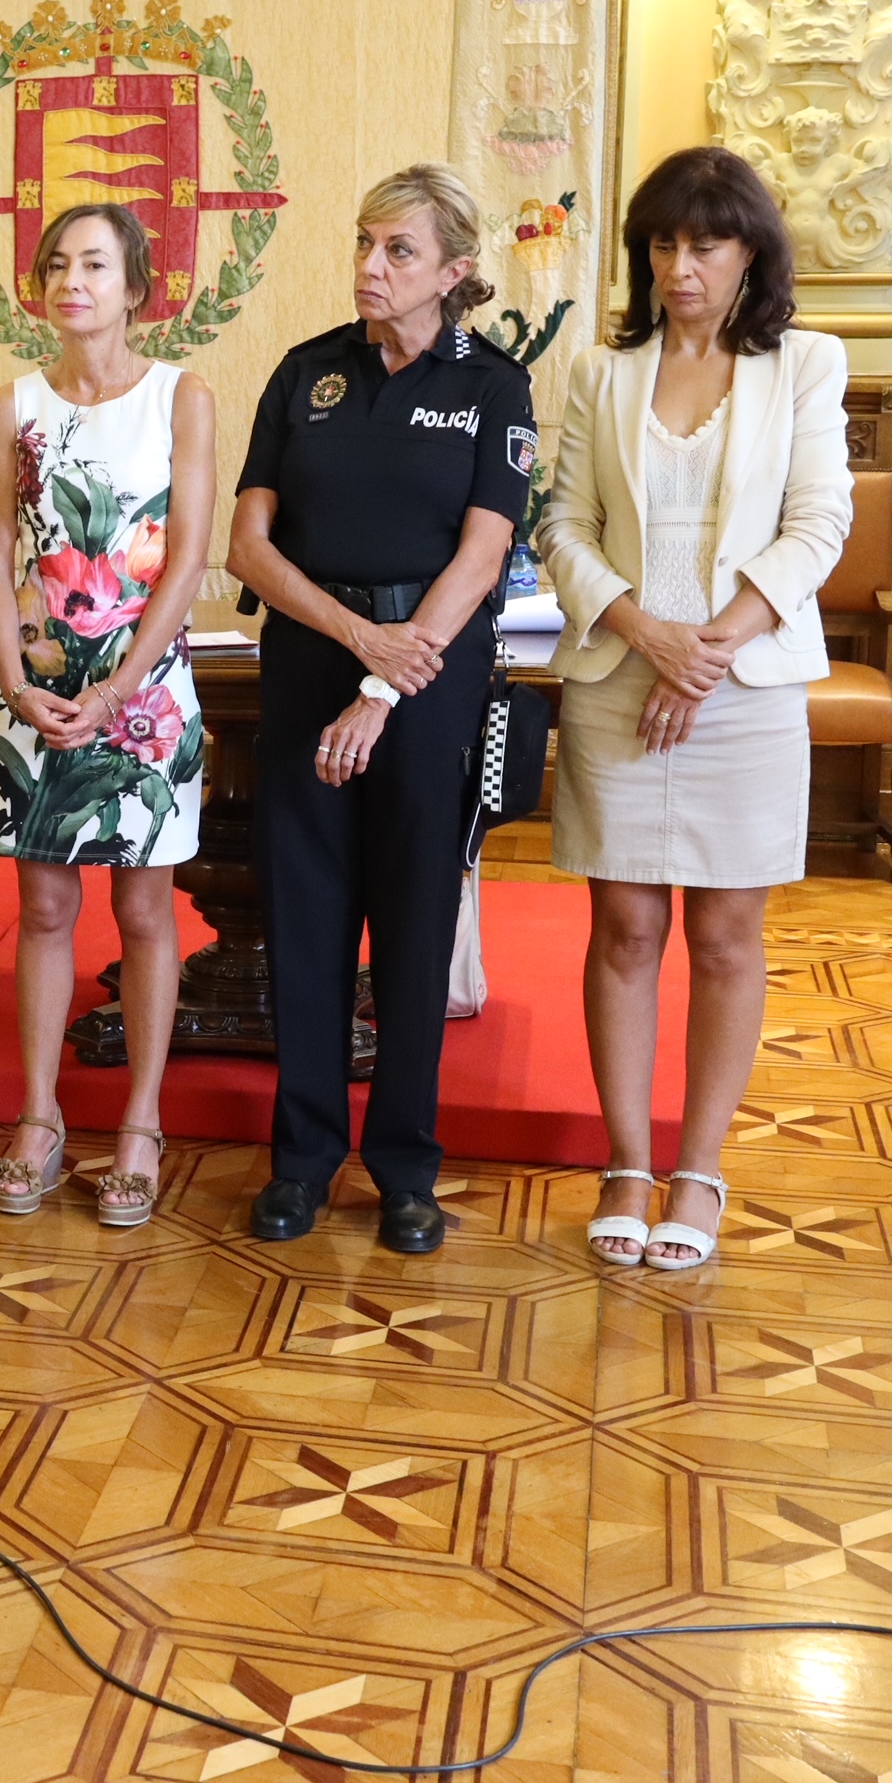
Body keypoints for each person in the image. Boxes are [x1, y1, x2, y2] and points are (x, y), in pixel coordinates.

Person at [537, 147, 848, 1274]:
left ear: (749, 252)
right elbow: (562, 526)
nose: (681, 266)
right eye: (663, 243)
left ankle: (699, 1168)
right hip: (622, 677)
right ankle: (628, 1162)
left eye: (705, 245)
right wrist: (645, 631)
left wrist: (709, 646)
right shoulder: (602, 371)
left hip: (744, 683)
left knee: (723, 936)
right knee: (624, 930)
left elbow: (818, 521)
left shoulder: (804, 362)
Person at [227, 162, 537, 1255]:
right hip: (312, 665)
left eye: (398, 249)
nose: (371, 265)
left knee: (413, 924)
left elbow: (482, 555)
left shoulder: (492, 386)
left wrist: (387, 678)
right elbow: (249, 546)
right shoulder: (307, 371)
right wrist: (358, 643)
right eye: (365, 242)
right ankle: (303, 1160)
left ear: (453, 271)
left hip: (430, 677)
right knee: (305, 919)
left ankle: (405, 1168)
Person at [0, 202, 213, 1228]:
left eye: (95, 265)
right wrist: (13, 680)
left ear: (136, 288)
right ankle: (38, 1117)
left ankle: (140, 1125)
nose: (72, 281)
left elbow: (188, 557)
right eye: (57, 265)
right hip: (34, 686)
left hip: (145, 690)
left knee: (146, 912)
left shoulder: (180, 397)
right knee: (42, 909)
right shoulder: (13, 404)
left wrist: (117, 689)